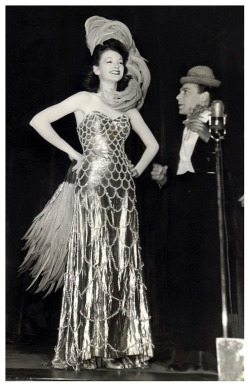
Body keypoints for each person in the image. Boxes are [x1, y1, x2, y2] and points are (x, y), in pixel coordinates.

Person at [19, 16, 159, 371]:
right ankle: (86, 346)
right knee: (92, 257)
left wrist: (136, 169)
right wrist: (73, 153)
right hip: (91, 186)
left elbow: (152, 145)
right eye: (108, 62)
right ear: (96, 69)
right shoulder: (84, 99)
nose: (115, 66)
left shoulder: (128, 106)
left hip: (123, 190)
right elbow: (39, 121)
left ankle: (118, 347)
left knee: (120, 260)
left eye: (119, 62)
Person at [151, 66, 222, 369]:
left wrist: (210, 138)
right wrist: (162, 177)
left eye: (186, 92)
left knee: (205, 275)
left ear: (204, 97)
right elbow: (178, 166)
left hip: (206, 206)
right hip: (180, 204)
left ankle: (208, 351)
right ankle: (182, 350)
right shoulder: (183, 127)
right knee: (179, 274)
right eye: (180, 91)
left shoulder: (217, 124)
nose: (178, 96)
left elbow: (228, 163)